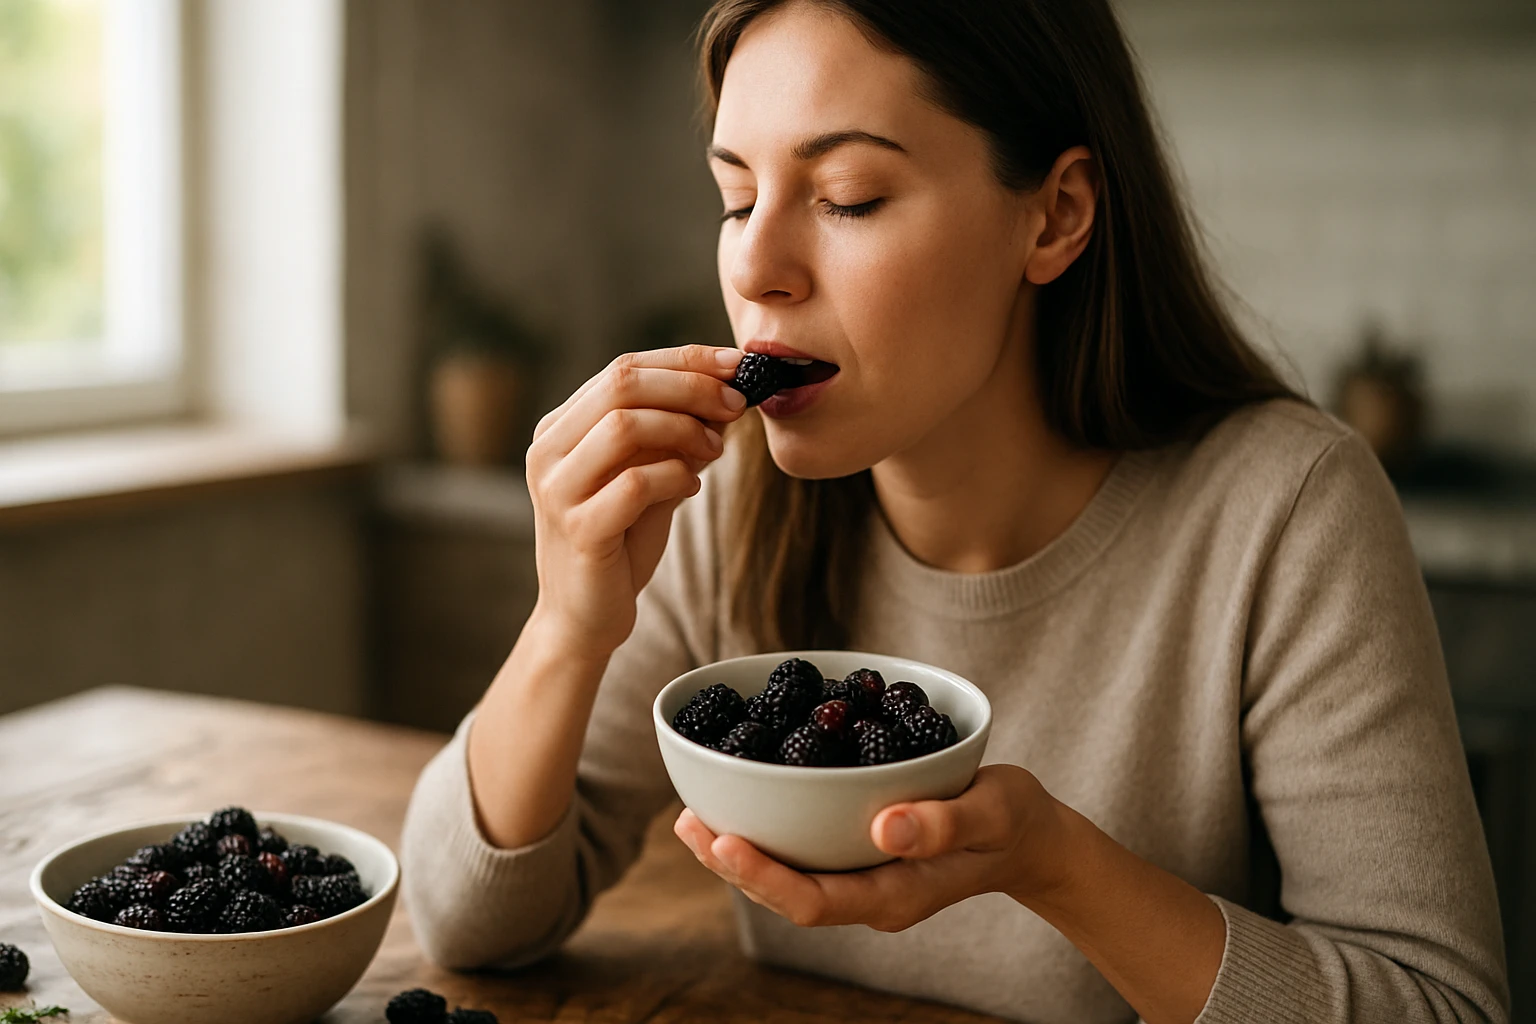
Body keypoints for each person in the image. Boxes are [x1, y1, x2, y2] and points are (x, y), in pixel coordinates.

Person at [400, 2, 1509, 1021]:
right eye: (736, 197)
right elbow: (468, 920)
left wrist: (1054, 866)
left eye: (846, 198)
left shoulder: (1287, 513)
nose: (760, 265)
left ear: (1055, 216)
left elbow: (1440, 1005)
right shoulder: (728, 499)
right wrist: (567, 627)